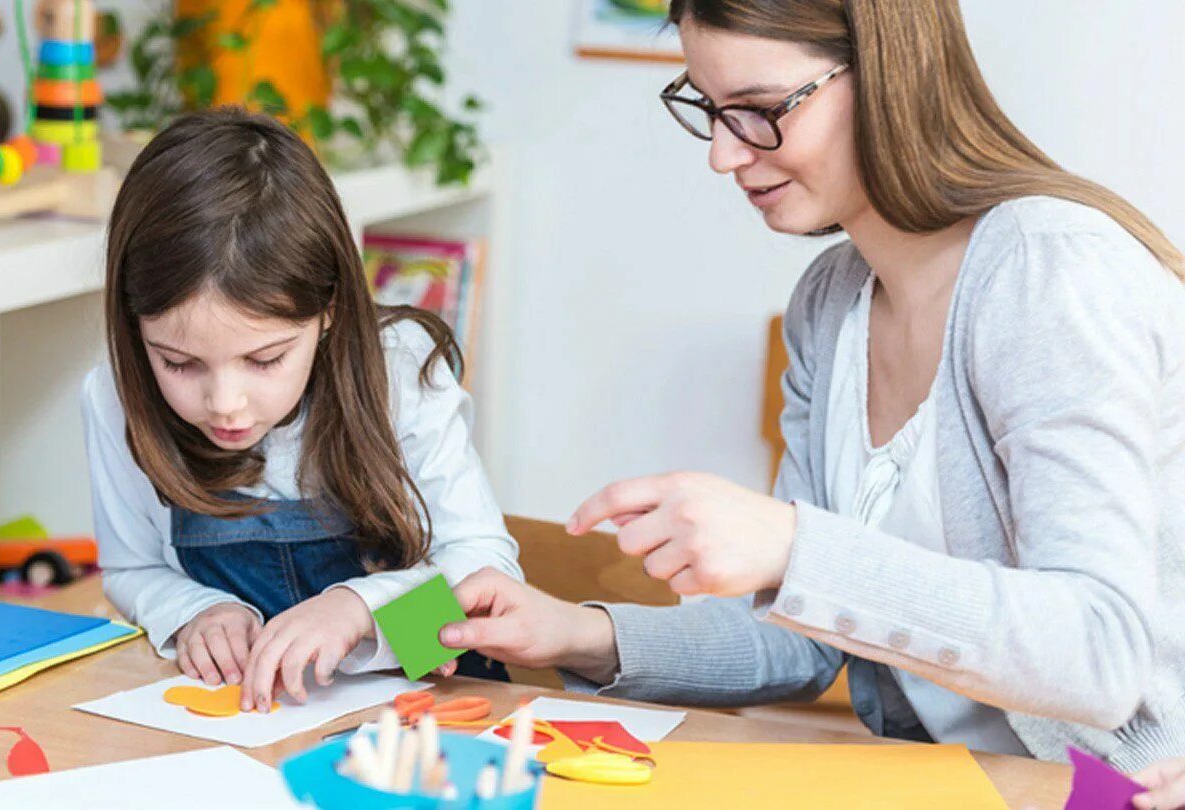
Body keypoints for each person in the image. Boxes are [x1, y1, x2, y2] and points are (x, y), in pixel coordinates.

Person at [440, 0, 1185, 771]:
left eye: (760, 111)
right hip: (950, 783)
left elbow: (1100, 652)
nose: (725, 157)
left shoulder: (1050, 273)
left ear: (892, 77)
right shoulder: (830, 304)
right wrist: (574, 631)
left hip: (1118, 786)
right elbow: (801, 636)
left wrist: (795, 547)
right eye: (711, 109)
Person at [83, 107, 521, 712]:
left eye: (264, 360)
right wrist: (197, 612)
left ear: (330, 308)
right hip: (248, 722)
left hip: (431, 699)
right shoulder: (115, 396)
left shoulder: (400, 371)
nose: (225, 403)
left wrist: (360, 611)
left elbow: (487, 576)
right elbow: (129, 570)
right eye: (179, 363)